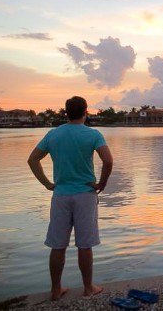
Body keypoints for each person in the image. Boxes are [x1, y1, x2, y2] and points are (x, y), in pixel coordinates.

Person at [27, 96, 113, 300]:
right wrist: (102, 183)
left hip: (61, 196)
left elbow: (32, 160)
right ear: (86, 112)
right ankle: (88, 288)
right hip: (85, 195)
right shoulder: (92, 134)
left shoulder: (54, 134)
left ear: (66, 112)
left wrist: (47, 183)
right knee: (85, 244)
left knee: (58, 245)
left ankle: (56, 290)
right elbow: (108, 161)